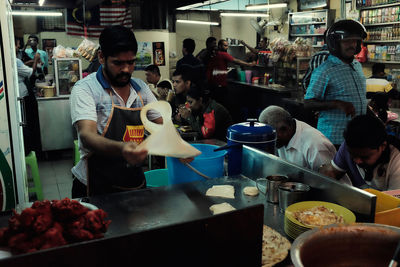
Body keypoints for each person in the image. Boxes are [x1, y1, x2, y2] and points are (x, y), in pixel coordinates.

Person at [70, 25, 162, 197]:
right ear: (101, 57)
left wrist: (180, 145)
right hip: (95, 185)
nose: (126, 69)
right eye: (118, 63)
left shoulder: (141, 89)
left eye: (131, 62)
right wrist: (123, 149)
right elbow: (87, 135)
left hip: (133, 182)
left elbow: (162, 124)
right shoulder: (86, 89)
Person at [304, 20, 368, 148]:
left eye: (355, 41)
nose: (352, 45)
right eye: (347, 41)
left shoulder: (357, 65)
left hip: (356, 136)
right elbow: (308, 103)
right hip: (333, 138)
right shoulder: (325, 70)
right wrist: (337, 104)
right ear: (335, 43)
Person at [319, 115, 400, 191]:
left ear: (383, 146)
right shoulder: (349, 146)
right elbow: (332, 172)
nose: (357, 161)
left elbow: (395, 202)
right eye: (353, 155)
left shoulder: (397, 160)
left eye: (365, 157)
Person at [258, 105, 336, 172]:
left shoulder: (315, 145)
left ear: (285, 129)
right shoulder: (282, 137)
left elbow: (327, 181)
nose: (271, 140)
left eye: (273, 136)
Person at [206, 39, 256, 106]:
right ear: (220, 46)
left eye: (227, 46)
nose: (227, 47)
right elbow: (236, 61)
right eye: (225, 46)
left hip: (213, 85)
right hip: (220, 86)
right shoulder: (223, 54)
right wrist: (249, 64)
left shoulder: (215, 54)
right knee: (221, 105)